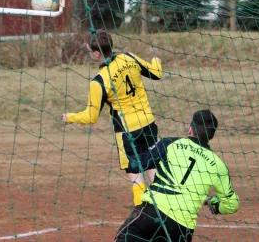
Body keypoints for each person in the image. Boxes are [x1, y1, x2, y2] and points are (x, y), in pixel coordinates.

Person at [62, 29, 162, 207]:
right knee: (153, 169)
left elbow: (90, 117)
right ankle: (164, 211)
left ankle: (143, 215)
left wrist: (70, 117)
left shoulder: (99, 81)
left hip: (127, 132)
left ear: (96, 53)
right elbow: (156, 73)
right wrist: (156, 60)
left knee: (136, 175)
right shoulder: (129, 57)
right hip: (148, 124)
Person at [114, 110, 240, 242]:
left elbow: (135, 165)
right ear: (211, 136)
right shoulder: (219, 166)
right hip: (181, 228)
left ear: (190, 129)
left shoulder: (169, 143)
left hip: (151, 214)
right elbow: (232, 205)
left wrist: (127, 144)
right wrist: (211, 202)